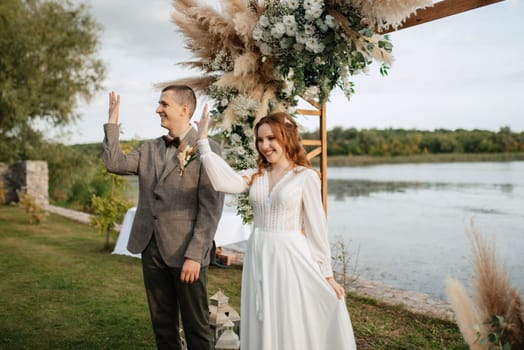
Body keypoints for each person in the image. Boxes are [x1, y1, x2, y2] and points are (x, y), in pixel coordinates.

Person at [195, 107, 357, 349]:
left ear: (287, 138)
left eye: (271, 138)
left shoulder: (306, 177)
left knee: (289, 317)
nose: (264, 145)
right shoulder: (256, 175)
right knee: (261, 317)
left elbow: (317, 230)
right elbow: (222, 181)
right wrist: (203, 142)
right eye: (260, 139)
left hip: (290, 257)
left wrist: (327, 275)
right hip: (259, 255)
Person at [103, 85, 225, 350]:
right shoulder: (149, 149)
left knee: (196, 327)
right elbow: (115, 164)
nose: (158, 109)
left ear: (184, 109)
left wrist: (195, 255)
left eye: (164, 104)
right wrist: (112, 122)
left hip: (186, 253)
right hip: (151, 248)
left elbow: (210, 209)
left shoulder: (208, 149)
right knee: (162, 325)